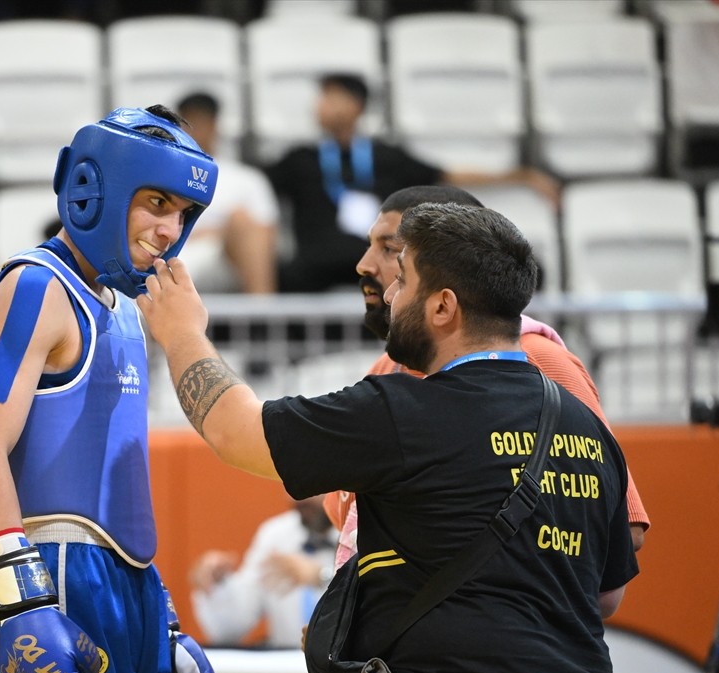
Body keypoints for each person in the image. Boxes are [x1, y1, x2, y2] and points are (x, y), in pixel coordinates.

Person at [138, 201, 638, 673]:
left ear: (443, 306)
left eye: (403, 281)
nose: (388, 294)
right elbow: (607, 594)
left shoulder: (408, 411)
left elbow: (234, 431)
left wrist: (181, 332)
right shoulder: (586, 427)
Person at [0, 105, 221, 673]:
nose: (169, 228)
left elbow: (116, 473)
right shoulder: (35, 286)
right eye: (156, 201)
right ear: (94, 188)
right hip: (55, 578)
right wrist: (20, 601)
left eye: (183, 211)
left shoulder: (128, 311)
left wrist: (155, 606)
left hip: (127, 585)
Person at [325, 184, 652, 566]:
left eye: (389, 250)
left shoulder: (543, 361)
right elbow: (343, 513)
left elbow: (623, 530)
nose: (364, 264)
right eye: (370, 245)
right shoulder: (387, 368)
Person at [265, 72, 560, 293]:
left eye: (330, 96)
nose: (320, 105)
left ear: (356, 105)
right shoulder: (299, 159)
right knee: (275, 276)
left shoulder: (387, 155)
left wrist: (521, 176)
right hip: (317, 262)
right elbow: (256, 187)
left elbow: (447, 176)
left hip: (384, 254)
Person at [190, 494, 337, 649]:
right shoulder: (274, 535)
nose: (299, 498)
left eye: (312, 482)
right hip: (287, 667)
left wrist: (324, 577)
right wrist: (217, 584)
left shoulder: (361, 532)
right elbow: (229, 631)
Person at [174, 91, 278, 294]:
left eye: (200, 122)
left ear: (214, 125)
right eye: (188, 123)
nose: (194, 130)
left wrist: (221, 232)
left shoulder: (247, 179)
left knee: (241, 220)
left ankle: (263, 313)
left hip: (225, 262)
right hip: (172, 253)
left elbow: (265, 231)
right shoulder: (159, 175)